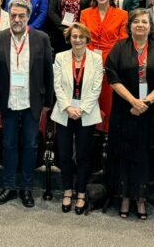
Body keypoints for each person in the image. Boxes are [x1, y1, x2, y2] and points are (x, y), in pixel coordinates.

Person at [0, 0, 53, 208]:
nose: (17, 19)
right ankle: (8, 187)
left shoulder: (41, 38)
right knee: (8, 145)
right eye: (13, 15)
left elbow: (48, 73)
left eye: (21, 16)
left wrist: (47, 102)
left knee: (31, 145)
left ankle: (26, 188)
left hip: (32, 102)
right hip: (7, 102)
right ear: (9, 15)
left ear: (28, 17)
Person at [105, 8, 154, 220]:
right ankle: (124, 196)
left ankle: (141, 198)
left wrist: (145, 103)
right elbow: (112, 76)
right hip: (124, 110)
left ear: (150, 27)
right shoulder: (119, 47)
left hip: (149, 112)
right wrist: (133, 101)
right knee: (124, 153)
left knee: (145, 155)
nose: (140, 25)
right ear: (129, 26)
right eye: (136, 22)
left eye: (144, 22)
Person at [51, 23, 102, 214]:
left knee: (83, 156)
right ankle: (67, 190)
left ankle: (81, 193)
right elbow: (57, 85)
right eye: (74, 36)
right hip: (64, 111)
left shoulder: (96, 59)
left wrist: (82, 108)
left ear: (87, 39)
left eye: (81, 37)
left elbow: (97, 86)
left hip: (86, 112)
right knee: (64, 154)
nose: (78, 40)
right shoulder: (60, 57)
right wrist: (67, 106)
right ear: (69, 38)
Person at [79, 0, 127, 119]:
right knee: (89, 92)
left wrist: (112, 61)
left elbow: (123, 42)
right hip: (89, 57)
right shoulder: (85, 13)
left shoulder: (122, 14)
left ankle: (106, 130)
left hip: (112, 59)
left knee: (108, 95)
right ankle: (91, 128)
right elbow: (82, 38)